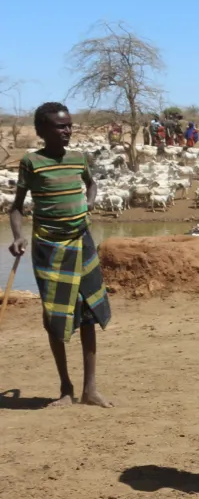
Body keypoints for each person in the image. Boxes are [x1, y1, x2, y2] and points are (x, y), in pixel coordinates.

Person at [9, 102, 113, 408]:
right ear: (42, 131)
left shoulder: (79, 158)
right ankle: (66, 388)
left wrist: (89, 203)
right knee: (56, 316)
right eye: (59, 126)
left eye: (69, 125)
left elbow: (91, 185)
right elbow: (17, 207)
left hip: (81, 242)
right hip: (49, 248)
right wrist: (17, 236)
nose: (67, 131)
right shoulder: (31, 162)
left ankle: (90, 389)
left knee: (89, 312)